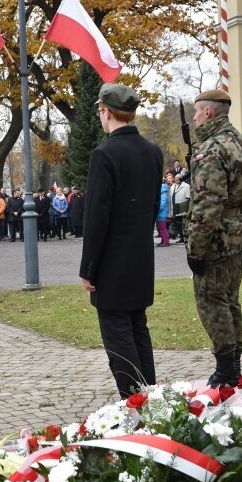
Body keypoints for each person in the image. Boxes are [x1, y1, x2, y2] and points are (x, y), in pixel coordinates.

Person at [79, 84, 163, 398]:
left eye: (100, 111)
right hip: (140, 256)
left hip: (112, 262)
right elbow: (154, 206)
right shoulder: (152, 151)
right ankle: (151, 396)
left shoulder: (105, 153)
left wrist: (89, 268)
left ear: (106, 111)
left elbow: (96, 217)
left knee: (118, 336)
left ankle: (135, 401)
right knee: (138, 328)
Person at [185, 88, 242, 386]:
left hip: (215, 238)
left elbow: (207, 204)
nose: (195, 118)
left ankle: (226, 368)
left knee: (212, 301)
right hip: (236, 232)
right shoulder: (240, 142)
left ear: (209, 112)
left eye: (197, 112)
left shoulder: (211, 149)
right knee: (230, 298)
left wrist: (195, 249)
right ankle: (234, 360)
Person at [171, 174, 191, 243]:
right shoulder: (172, 186)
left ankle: (186, 237)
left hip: (183, 208)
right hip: (175, 208)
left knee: (185, 224)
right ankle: (181, 237)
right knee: (178, 224)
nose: (177, 179)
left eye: (179, 178)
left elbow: (188, 198)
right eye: (176, 178)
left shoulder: (186, 186)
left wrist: (187, 209)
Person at [156, 181, 170, 246]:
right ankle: (163, 240)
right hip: (160, 214)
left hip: (162, 214)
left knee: (163, 228)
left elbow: (161, 205)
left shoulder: (163, 196)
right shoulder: (162, 195)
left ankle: (166, 241)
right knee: (161, 228)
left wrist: (156, 210)